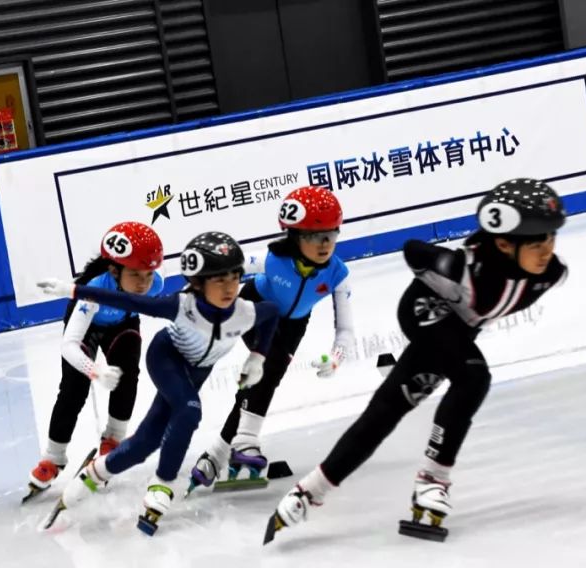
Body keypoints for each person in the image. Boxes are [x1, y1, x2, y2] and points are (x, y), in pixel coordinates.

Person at [264, 178, 569, 544]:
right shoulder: (465, 267)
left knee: (386, 410)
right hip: (422, 311)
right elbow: (413, 250)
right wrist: (442, 261)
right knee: (474, 378)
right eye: (537, 242)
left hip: (458, 331)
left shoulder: (550, 274)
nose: (547, 251)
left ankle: (306, 493)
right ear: (503, 243)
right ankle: (432, 483)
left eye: (551, 238)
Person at [36, 232, 280, 535]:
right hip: (166, 358)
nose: (229, 288)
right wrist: (72, 290)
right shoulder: (181, 306)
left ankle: (92, 475)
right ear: (199, 283)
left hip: (196, 372)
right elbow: (126, 299)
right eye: (219, 281)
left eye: (234, 279)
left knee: (143, 444)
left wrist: (257, 357)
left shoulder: (246, 313)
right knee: (190, 411)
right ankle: (163, 485)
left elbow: (273, 314)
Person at [190, 185, 354, 491]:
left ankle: (215, 455)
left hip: (293, 325)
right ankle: (246, 441)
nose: (324, 244)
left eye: (331, 235)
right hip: (256, 310)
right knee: (269, 365)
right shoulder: (271, 260)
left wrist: (336, 358)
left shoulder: (337, 274)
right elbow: (220, 269)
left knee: (262, 378)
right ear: (293, 237)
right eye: (313, 236)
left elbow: (345, 329)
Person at [23, 222, 164, 502]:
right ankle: (54, 457)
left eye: (149, 275)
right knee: (73, 391)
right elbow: (69, 346)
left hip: (122, 324)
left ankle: (113, 439)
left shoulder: (154, 285)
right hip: (85, 329)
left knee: (127, 375)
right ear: (114, 269)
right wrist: (94, 370)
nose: (143, 283)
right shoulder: (93, 289)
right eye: (135, 274)